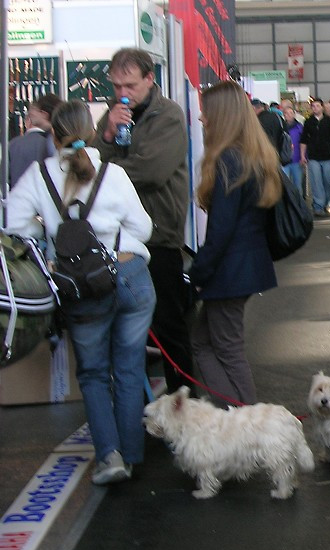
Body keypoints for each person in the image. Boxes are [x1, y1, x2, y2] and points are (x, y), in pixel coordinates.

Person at [5, 100, 155, 485]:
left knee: (91, 373)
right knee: (128, 368)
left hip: (80, 286)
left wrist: (55, 240)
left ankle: (111, 457)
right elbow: (143, 227)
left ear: (52, 134)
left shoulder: (39, 175)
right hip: (130, 275)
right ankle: (134, 453)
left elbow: (17, 226)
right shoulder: (113, 172)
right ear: (91, 132)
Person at [92, 47, 193, 395]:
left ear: (150, 79)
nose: (122, 92)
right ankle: (138, 409)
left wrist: (107, 173)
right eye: (116, 84)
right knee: (126, 331)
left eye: (130, 85)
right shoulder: (114, 112)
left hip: (159, 236)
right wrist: (106, 136)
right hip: (118, 241)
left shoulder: (168, 116)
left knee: (169, 327)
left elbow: (151, 171)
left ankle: (188, 405)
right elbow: (89, 163)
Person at [189, 80, 281, 409]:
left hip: (228, 272)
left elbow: (220, 231)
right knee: (204, 342)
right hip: (242, 269)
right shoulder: (252, 156)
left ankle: (245, 422)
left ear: (221, 116)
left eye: (206, 112)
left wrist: (197, 273)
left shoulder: (228, 161)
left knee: (225, 348)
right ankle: (237, 415)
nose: (201, 119)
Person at [8, 93, 62, 187]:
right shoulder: (60, 144)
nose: (31, 112)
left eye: (35, 109)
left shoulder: (14, 145)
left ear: (44, 115)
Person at [299, 97, 330, 216]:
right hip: (313, 158)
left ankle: (327, 202)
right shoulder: (308, 122)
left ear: (322, 107)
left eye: (318, 106)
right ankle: (318, 205)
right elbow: (303, 141)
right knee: (316, 182)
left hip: (328, 157)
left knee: (328, 182)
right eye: (313, 106)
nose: (315, 108)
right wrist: (303, 156)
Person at [281, 99, 304, 194]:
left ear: (294, 114)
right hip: (284, 160)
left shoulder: (300, 127)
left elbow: (304, 143)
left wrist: (304, 157)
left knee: (297, 184)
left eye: (291, 113)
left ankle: (299, 204)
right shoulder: (281, 127)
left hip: (297, 159)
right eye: (286, 113)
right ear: (284, 115)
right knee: (284, 184)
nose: (289, 115)